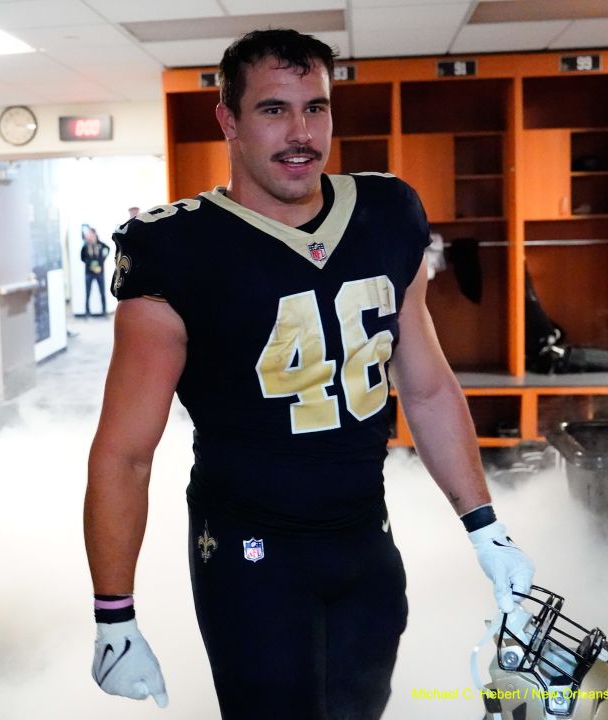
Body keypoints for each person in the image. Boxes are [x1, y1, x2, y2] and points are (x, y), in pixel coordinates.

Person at [84, 29, 535, 719]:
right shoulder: (176, 248)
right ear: (228, 120)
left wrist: (485, 527)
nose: (300, 132)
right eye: (273, 109)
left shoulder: (387, 214)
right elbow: (126, 454)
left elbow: (427, 386)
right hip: (250, 554)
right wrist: (113, 611)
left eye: (315, 108)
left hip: (364, 541)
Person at [80, 224, 110, 317]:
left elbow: (107, 249)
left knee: (102, 292)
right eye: (90, 234)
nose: (91, 236)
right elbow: (82, 257)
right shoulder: (85, 245)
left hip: (99, 272)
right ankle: (87, 313)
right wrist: (90, 264)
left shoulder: (100, 244)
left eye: (92, 234)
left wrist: (102, 260)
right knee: (88, 293)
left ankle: (104, 312)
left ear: (95, 234)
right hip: (89, 273)